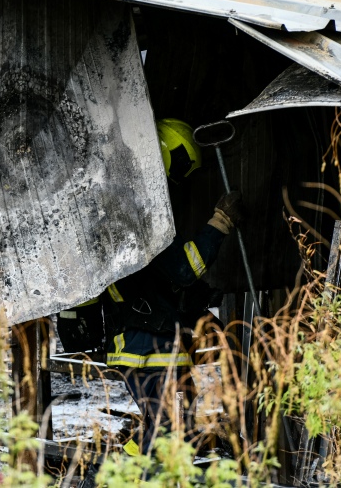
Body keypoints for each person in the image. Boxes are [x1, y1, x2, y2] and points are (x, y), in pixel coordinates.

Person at [103, 118, 244, 456]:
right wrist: (220, 223)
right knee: (168, 430)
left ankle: (123, 470)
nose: (176, 184)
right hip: (147, 349)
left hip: (153, 345)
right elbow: (183, 268)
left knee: (169, 426)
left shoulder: (126, 203)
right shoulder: (138, 213)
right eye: (178, 172)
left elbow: (158, 280)